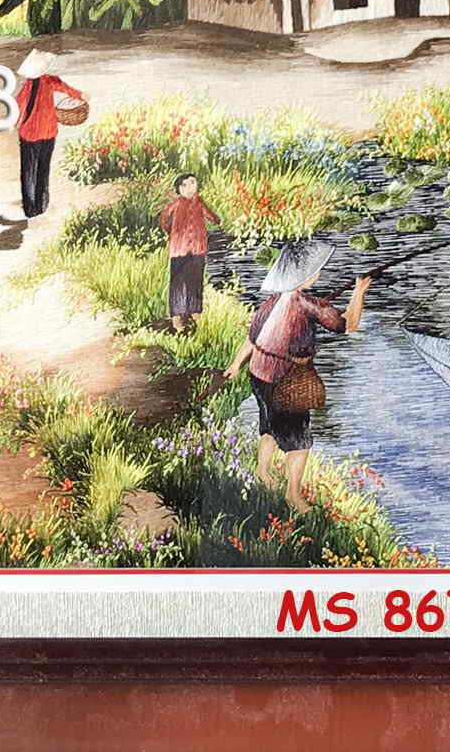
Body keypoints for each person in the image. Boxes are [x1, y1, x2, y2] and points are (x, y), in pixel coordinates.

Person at [222, 242, 372, 512]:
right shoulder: (306, 304)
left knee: (269, 425)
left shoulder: (271, 302)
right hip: (285, 380)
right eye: (314, 270)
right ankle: (293, 495)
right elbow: (349, 324)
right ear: (303, 275)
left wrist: (235, 365)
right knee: (299, 441)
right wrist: (359, 293)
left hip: (258, 374)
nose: (318, 273)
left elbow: (251, 339)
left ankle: (262, 472)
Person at [12, 50, 84, 220]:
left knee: (28, 171)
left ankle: (30, 209)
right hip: (48, 132)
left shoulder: (28, 86)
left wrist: (12, 124)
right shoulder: (51, 80)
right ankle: (42, 204)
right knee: (43, 169)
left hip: (29, 134)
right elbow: (68, 90)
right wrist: (82, 95)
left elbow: (17, 106)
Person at [157, 172, 220, 334]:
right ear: (179, 189)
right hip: (179, 250)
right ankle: (177, 319)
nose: (190, 188)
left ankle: (195, 314)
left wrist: (217, 220)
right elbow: (164, 219)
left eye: (193, 183)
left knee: (196, 281)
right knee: (178, 284)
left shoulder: (200, 202)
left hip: (198, 249)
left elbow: (212, 217)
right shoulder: (177, 203)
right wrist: (172, 233)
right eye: (185, 185)